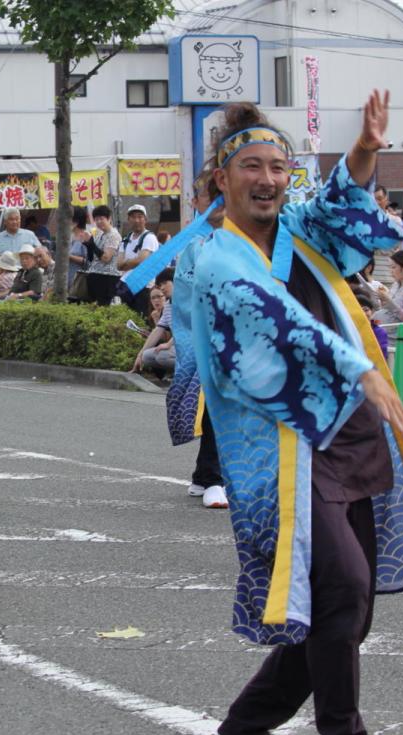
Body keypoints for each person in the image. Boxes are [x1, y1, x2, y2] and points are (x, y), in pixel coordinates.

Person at [191, 93, 403, 735]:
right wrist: (360, 368)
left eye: (278, 167)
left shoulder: (298, 228)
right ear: (221, 179)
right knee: (344, 586)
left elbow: (342, 210)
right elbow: (269, 318)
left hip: (347, 433)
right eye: (251, 167)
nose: (267, 179)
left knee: (347, 608)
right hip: (279, 449)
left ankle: (242, 728)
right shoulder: (215, 258)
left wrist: (363, 152)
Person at [170, 172, 229, 510]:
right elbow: (187, 296)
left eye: (201, 195)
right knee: (217, 405)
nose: (196, 201)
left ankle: (207, 475)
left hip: (251, 335)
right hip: (214, 336)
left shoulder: (255, 237)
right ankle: (212, 476)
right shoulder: (198, 243)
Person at [131, 267, 176, 376]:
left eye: (165, 283)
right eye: (160, 285)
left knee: (162, 356)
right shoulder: (168, 305)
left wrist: (168, 344)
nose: (162, 288)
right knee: (146, 356)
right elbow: (158, 330)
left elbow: (189, 329)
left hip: (194, 345)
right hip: (179, 345)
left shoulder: (187, 301)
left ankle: (191, 374)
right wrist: (139, 355)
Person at [117, 203, 161, 314]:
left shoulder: (149, 237)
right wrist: (132, 262)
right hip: (126, 285)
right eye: (133, 217)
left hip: (144, 285)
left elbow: (142, 260)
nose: (137, 220)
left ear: (145, 219)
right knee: (128, 318)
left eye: (140, 217)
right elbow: (118, 265)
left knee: (142, 319)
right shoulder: (125, 239)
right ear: (128, 219)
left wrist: (125, 263)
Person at [84, 204, 122, 305]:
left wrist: (92, 246)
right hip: (95, 275)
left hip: (107, 278)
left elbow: (106, 258)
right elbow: (91, 258)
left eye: (101, 219)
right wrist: (88, 245)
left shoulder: (113, 235)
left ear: (109, 218)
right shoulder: (98, 234)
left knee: (104, 307)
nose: (99, 222)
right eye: (96, 219)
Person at [372, 250, 403, 326]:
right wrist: (381, 298)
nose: (390, 271)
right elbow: (387, 308)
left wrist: (388, 301)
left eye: (393, 267)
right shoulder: (396, 284)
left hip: (394, 330)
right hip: (382, 325)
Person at [356, 294, 389, 359]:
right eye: (359, 310)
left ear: (372, 311)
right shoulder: (347, 329)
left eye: (366, 310)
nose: (363, 313)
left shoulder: (379, 332)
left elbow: (382, 354)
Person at [67, 208, 90, 291]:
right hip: (67, 281)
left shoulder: (86, 237)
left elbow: (88, 262)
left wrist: (70, 257)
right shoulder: (69, 237)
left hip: (79, 283)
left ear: (75, 222)